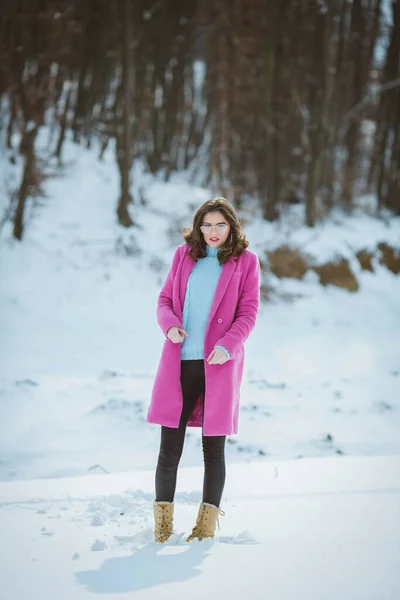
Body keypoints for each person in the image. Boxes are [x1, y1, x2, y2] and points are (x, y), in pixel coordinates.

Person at [147, 196, 261, 543]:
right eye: (207, 225)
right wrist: (169, 326)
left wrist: (228, 346)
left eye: (220, 225)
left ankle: (204, 529)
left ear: (232, 227)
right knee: (170, 449)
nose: (213, 232)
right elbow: (165, 300)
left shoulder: (246, 262)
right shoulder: (184, 256)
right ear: (198, 227)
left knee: (213, 450)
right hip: (180, 364)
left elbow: (249, 312)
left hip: (219, 364)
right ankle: (163, 527)